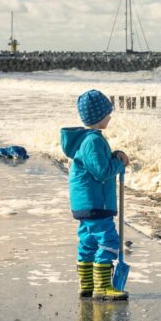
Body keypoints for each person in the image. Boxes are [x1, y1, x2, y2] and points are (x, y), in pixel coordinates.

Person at [60, 89, 130, 301]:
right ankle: (102, 286)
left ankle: (87, 285)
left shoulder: (88, 140)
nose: (110, 116)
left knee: (88, 242)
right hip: (95, 202)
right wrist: (119, 162)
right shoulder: (93, 141)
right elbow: (101, 172)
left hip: (87, 202)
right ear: (99, 117)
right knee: (109, 240)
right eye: (108, 113)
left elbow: (96, 164)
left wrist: (112, 155)